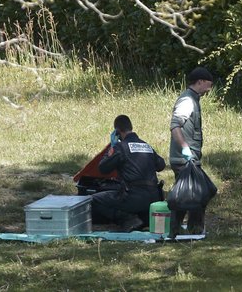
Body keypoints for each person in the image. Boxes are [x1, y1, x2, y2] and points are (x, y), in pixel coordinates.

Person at [92, 115, 166, 232]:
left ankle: (127, 219)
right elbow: (161, 165)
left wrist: (111, 148)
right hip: (154, 198)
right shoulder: (146, 145)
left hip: (133, 197)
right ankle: (142, 220)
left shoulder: (120, 148)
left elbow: (103, 168)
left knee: (94, 199)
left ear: (117, 131)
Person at [168, 67, 214, 237]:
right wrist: (185, 149)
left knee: (188, 195)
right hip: (184, 159)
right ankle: (191, 230)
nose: (209, 90)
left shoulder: (193, 99)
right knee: (193, 196)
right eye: (208, 86)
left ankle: (183, 229)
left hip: (189, 158)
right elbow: (175, 126)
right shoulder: (187, 101)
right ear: (200, 81)